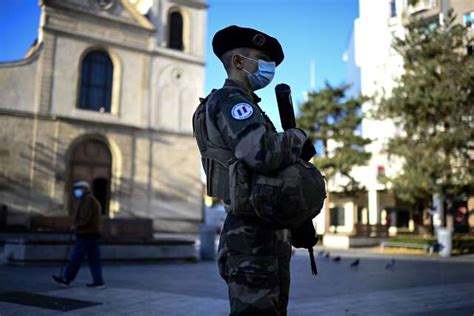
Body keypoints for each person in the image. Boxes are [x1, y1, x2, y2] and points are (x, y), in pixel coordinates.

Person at [194, 25, 310, 315]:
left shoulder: (246, 104)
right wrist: (298, 137)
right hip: (251, 235)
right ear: (237, 62)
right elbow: (261, 154)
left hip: (264, 229)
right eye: (261, 58)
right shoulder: (231, 101)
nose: (268, 67)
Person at [52, 180, 106, 289]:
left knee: (76, 257)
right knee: (94, 259)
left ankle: (66, 279)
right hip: (92, 233)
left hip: (86, 233)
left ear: (84, 189)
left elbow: (85, 218)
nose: (76, 191)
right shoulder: (91, 199)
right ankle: (99, 281)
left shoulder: (87, 200)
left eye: (78, 189)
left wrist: (76, 226)